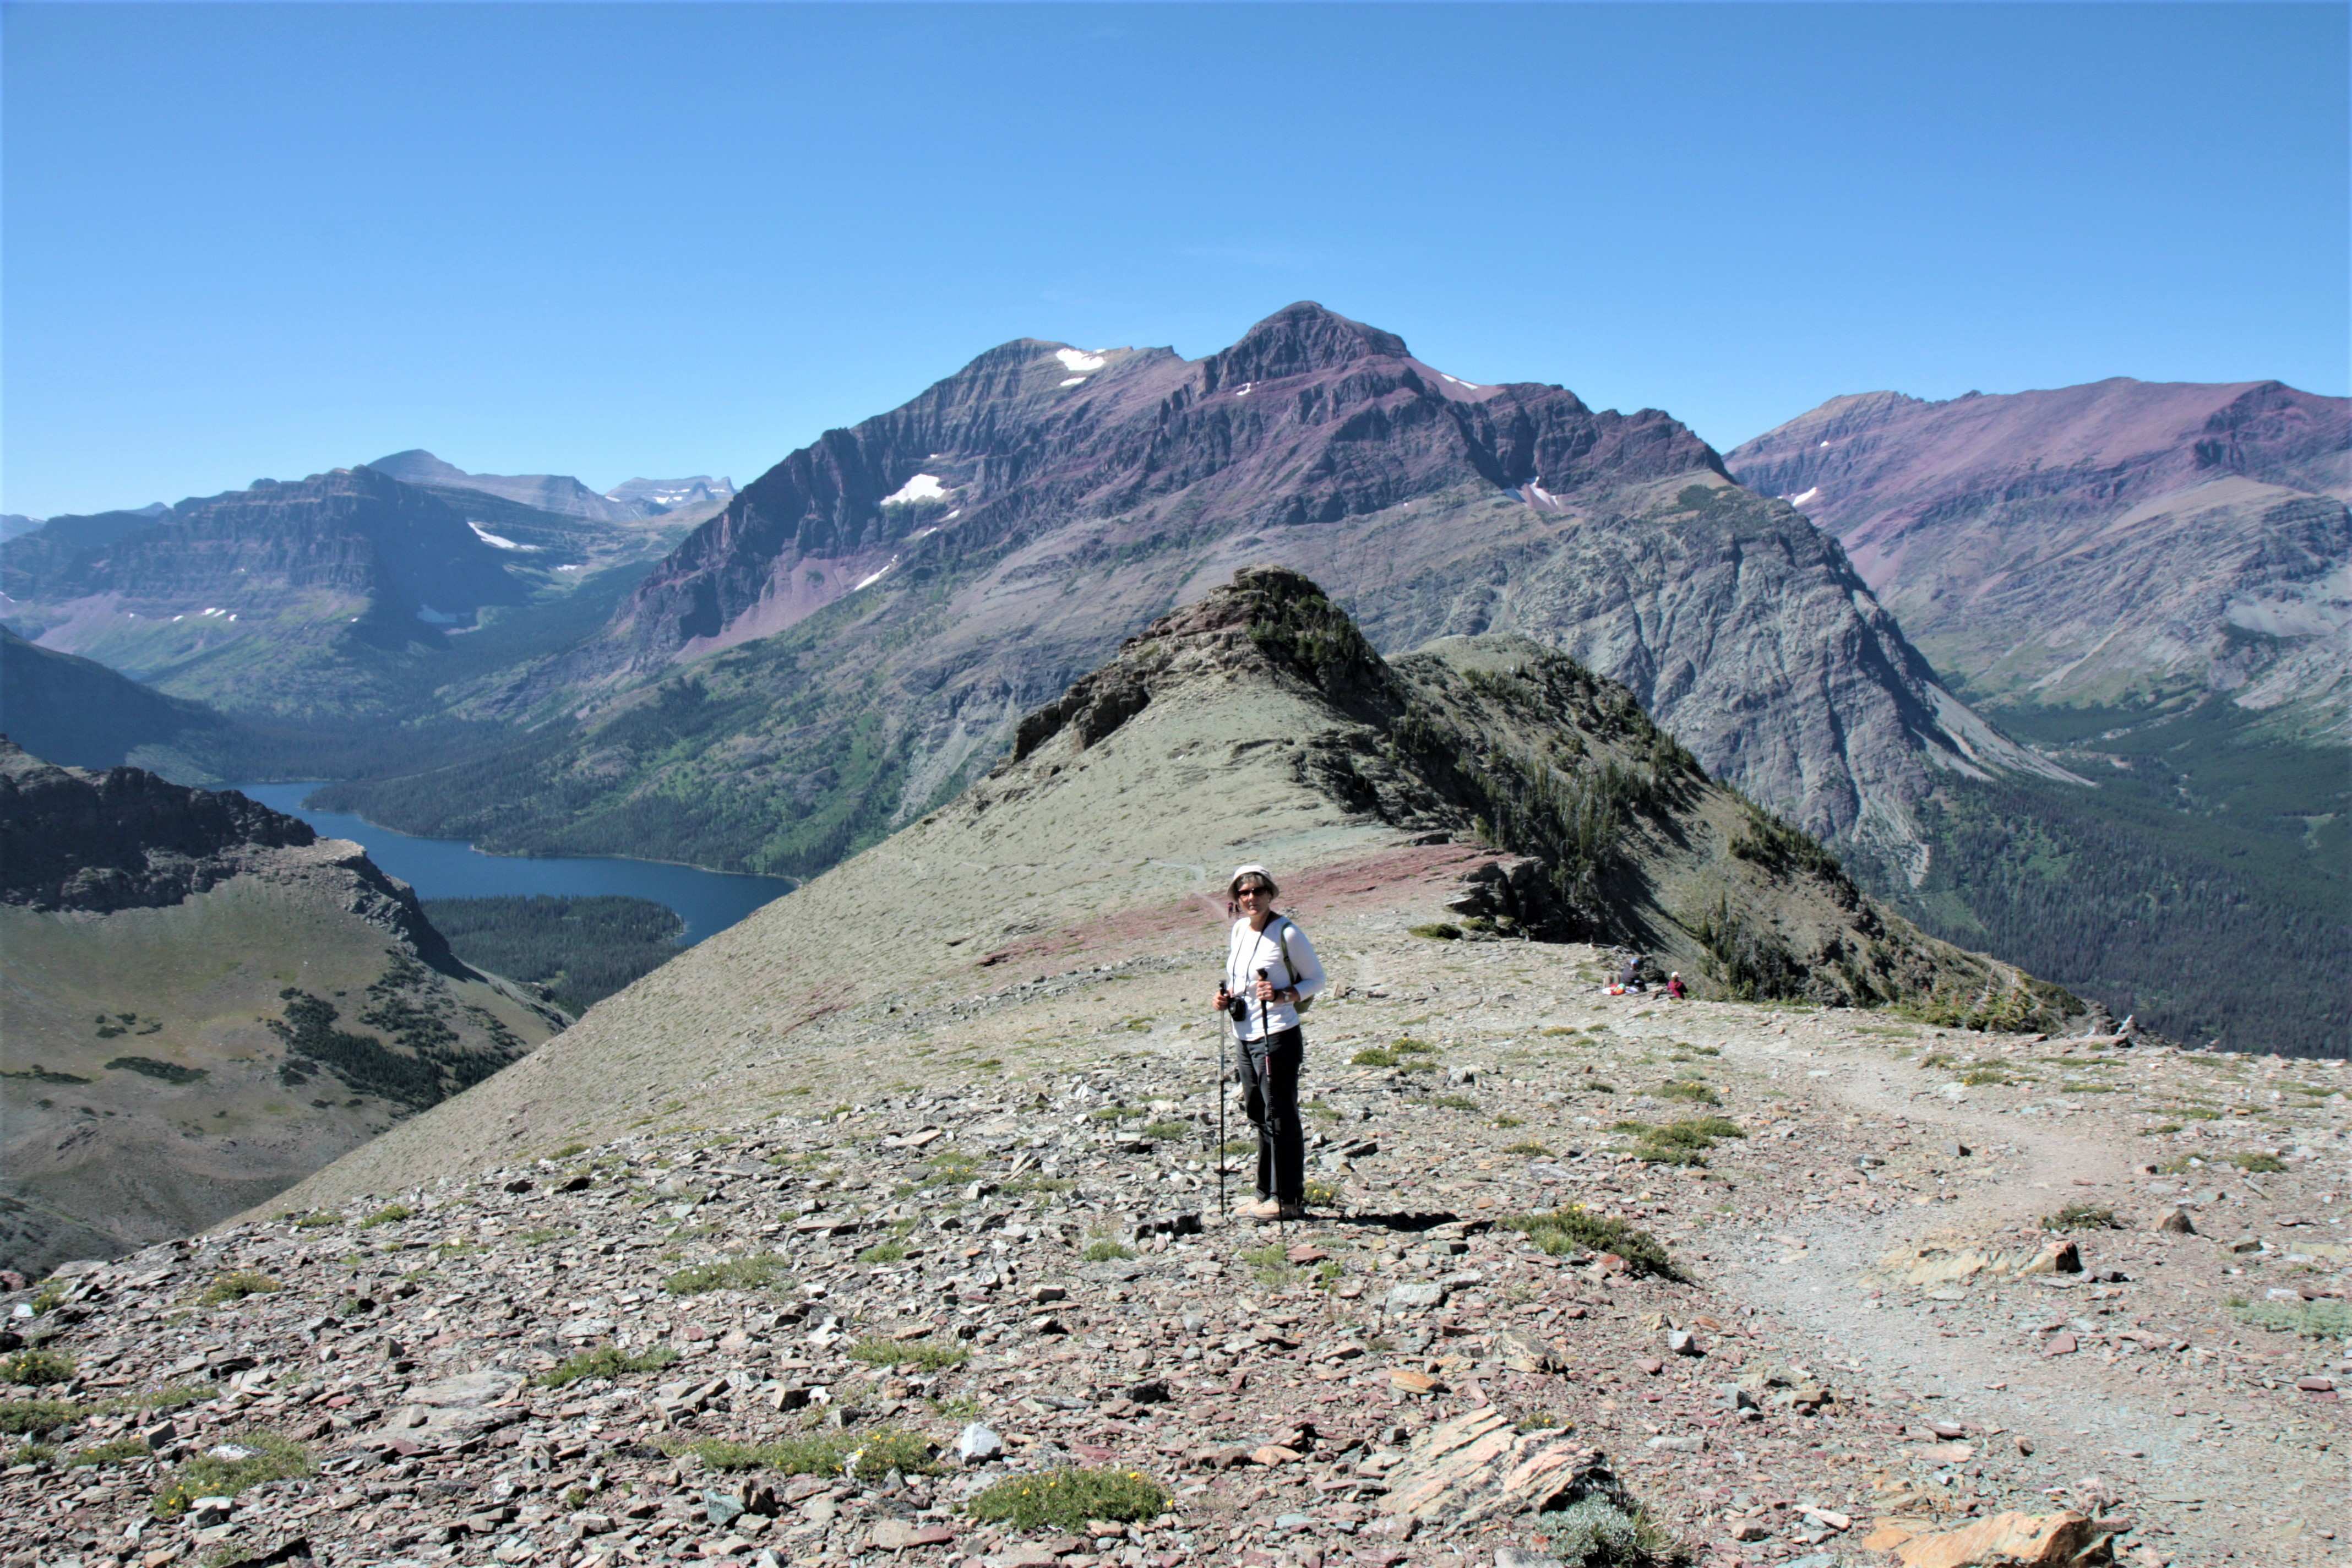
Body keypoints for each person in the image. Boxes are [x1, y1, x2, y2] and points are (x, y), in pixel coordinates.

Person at [1211, 864, 1326, 1221]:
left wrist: (1283, 995)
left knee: (1280, 1116)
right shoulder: (1239, 931)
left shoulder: (1287, 933)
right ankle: (1265, 1195)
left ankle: (1288, 1199)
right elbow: (1239, 980)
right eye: (1243, 893)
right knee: (1259, 1114)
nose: (1250, 898)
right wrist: (1226, 997)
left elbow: (1317, 980)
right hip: (1244, 1035)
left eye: (1257, 891)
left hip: (1277, 1035)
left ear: (1270, 893)